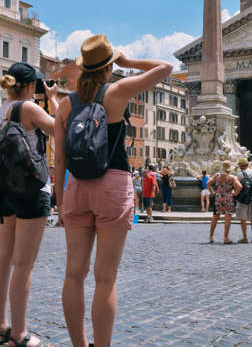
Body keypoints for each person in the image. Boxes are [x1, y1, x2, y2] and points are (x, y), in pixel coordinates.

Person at [54, 34, 172, 347]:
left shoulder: (65, 104)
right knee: (105, 279)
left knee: (73, 274)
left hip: (76, 187)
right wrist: (128, 61)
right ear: (108, 67)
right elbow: (166, 67)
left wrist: (60, 202)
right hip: (113, 183)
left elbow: (60, 159)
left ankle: (79, 344)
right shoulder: (118, 92)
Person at [0, 63, 58, 347]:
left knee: (4, 259)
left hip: (5, 189)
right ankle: (19, 335)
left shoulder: (2, 108)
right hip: (32, 189)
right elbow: (62, 130)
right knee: (24, 265)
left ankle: (1, 324)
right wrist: (55, 99)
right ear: (31, 85)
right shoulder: (30, 108)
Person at [207, 160, 242, 244]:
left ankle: (211, 236)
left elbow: (208, 183)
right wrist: (234, 194)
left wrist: (213, 193)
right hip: (228, 198)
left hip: (218, 197)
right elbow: (240, 186)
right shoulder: (232, 177)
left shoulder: (217, 175)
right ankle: (226, 237)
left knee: (215, 217)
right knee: (227, 218)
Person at [236, 158, 252, 244]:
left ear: (240, 166)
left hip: (243, 199)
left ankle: (245, 237)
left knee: (243, 219)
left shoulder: (239, 174)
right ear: (247, 165)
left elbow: (238, 186)